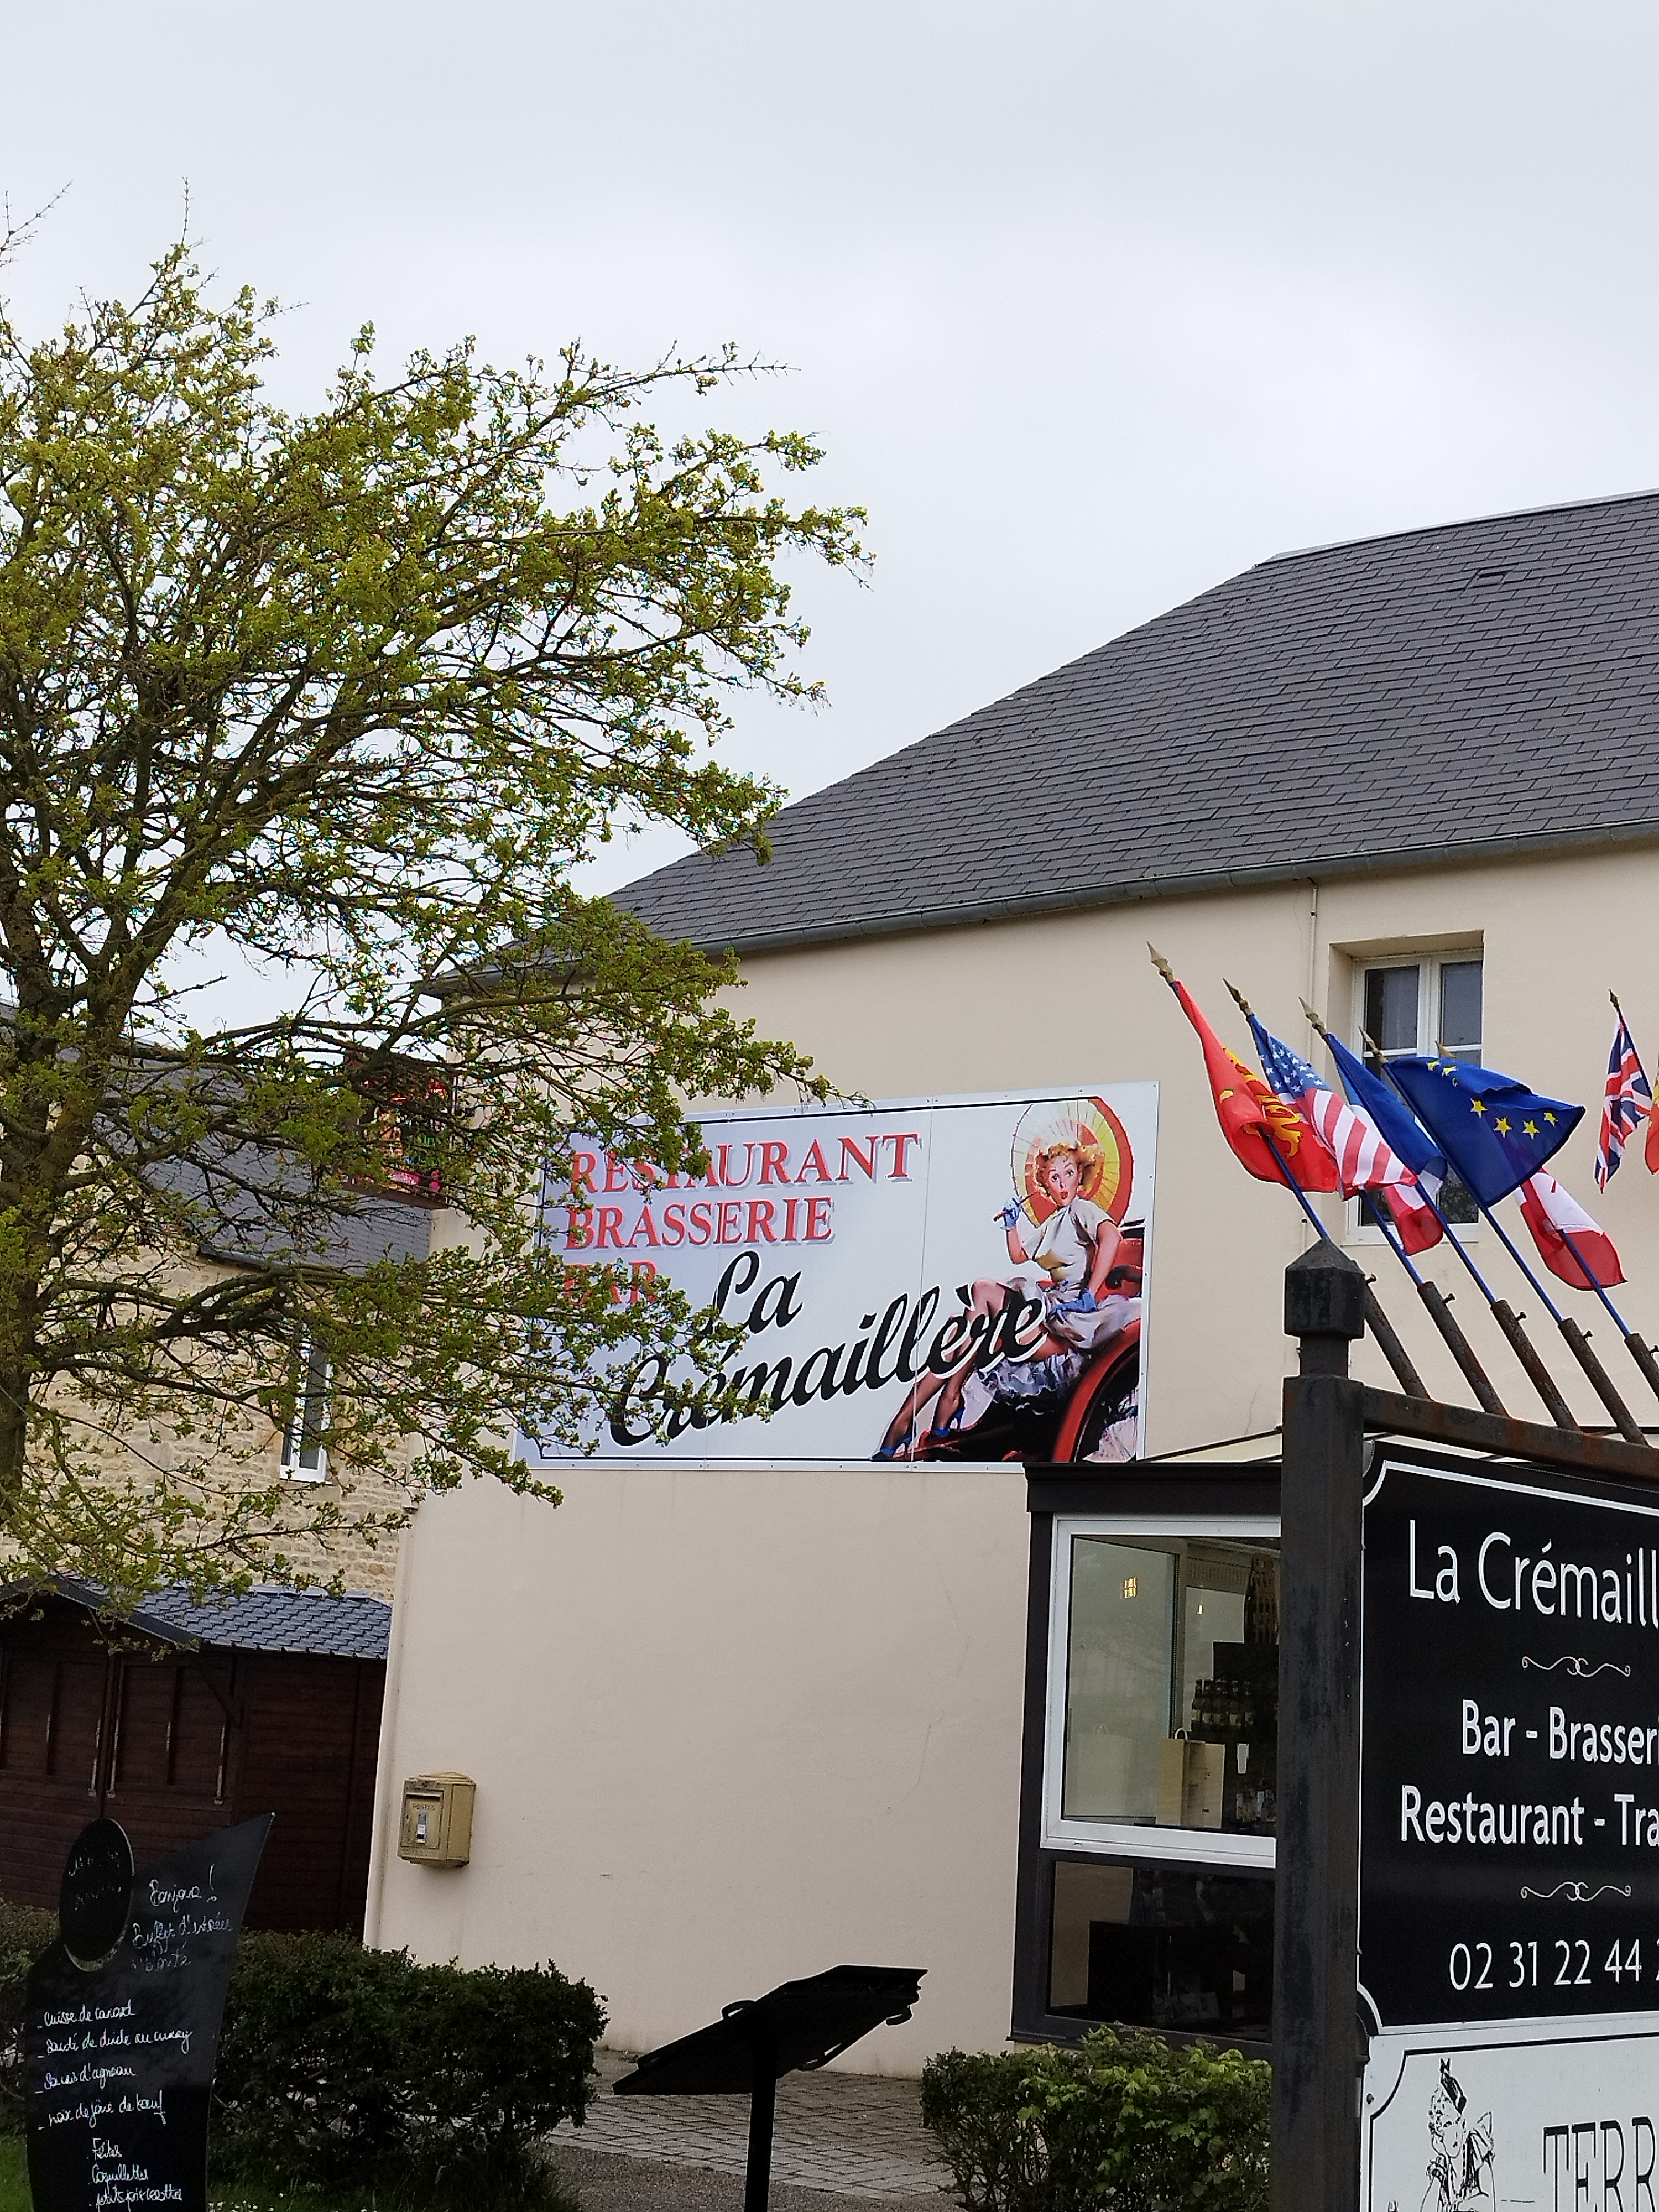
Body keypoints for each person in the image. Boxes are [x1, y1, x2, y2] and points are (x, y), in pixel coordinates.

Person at [875, 1139, 1138, 1457]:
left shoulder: (1082, 1210)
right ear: (1045, 1185)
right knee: (973, 1315)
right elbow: (1019, 1255)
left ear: (1080, 1175)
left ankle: (923, 1412)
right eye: (1054, 1177)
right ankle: (936, 1406)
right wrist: (1011, 1225)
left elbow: (1111, 1237)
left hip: (1071, 1326)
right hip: (1048, 1310)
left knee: (978, 1310)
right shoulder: (1054, 1222)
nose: (1062, 1183)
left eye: (1069, 1173)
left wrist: (1090, 1293)